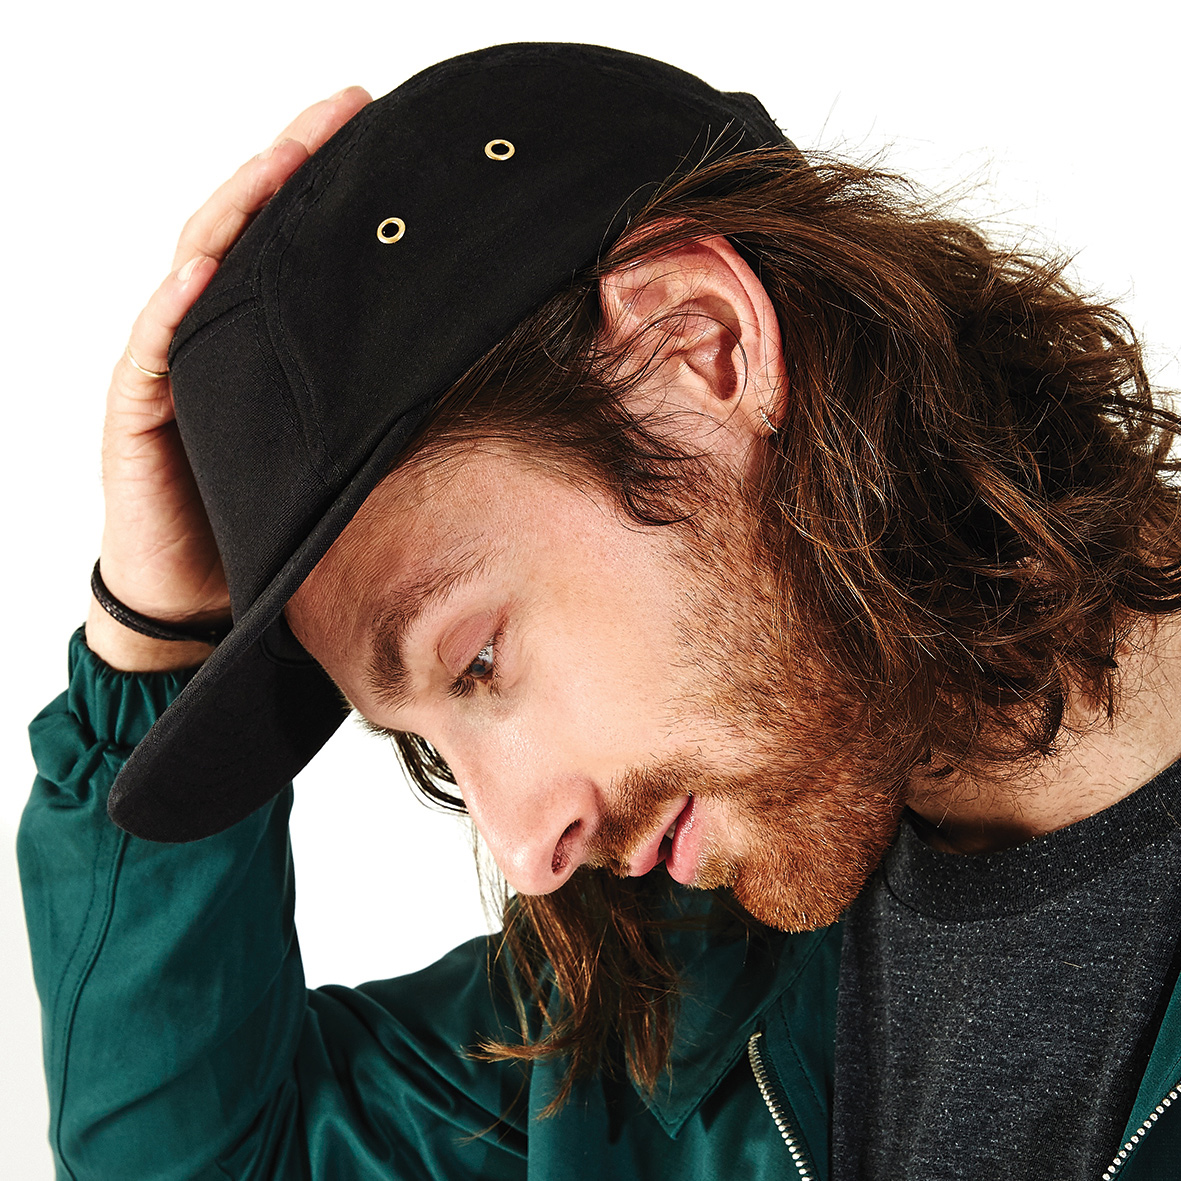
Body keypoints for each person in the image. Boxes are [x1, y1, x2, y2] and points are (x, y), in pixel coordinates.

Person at [18, 41, 1181, 1181]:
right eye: (429, 744)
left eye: (477, 662)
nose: (527, 852)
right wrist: (155, 636)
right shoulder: (657, 1026)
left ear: (698, 349)